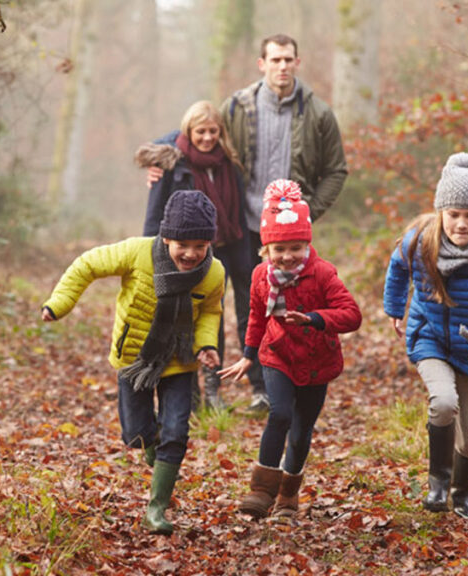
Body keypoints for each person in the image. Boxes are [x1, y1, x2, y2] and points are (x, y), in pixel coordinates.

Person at [150, 33, 349, 415]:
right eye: (275, 60)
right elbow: (195, 131)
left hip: (287, 234)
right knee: (215, 302)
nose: (282, 66)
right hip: (237, 226)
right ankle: (211, 387)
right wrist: (158, 157)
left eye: (288, 59)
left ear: (297, 62)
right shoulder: (237, 107)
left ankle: (267, 387)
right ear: (262, 64)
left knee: (269, 306)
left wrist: (307, 212)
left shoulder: (318, 113)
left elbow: (336, 169)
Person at [40, 190, 225, 535]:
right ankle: (154, 450)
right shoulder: (137, 252)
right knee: (137, 435)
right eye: (183, 243)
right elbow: (87, 265)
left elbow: (210, 312)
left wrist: (206, 345)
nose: (191, 253)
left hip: (180, 363)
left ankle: (156, 509)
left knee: (177, 432)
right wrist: (59, 304)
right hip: (134, 359)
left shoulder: (213, 272)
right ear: (166, 236)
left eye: (200, 245)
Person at [382, 152, 468, 519]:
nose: (461, 224)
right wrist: (395, 308)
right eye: (454, 214)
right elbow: (397, 267)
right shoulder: (419, 242)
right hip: (429, 338)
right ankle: (438, 484)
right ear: (441, 211)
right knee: (444, 402)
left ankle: (462, 492)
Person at [220, 179, 362, 520]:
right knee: (279, 413)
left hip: (317, 361)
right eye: (279, 250)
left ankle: (287, 496)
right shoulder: (260, 277)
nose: (287, 256)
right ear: (266, 250)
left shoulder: (323, 274)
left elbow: (351, 315)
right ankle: (261, 489)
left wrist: (315, 318)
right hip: (277, 354)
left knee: (300, 432)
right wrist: (248, 355)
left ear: (307, 244)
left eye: (296, 248)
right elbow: (256, 316)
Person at [134, 101, 251, 410]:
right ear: (188, 131)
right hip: (182, 255)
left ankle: (213, 389)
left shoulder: (228, 162)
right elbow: (154, 214)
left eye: (213, 131)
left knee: (214, 317)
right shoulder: (172, 163)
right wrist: (151, 256)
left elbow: (236, 211)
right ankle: (190, 393)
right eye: (201, 131)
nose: (207, 138)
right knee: (185, 319)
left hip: (223, 251)